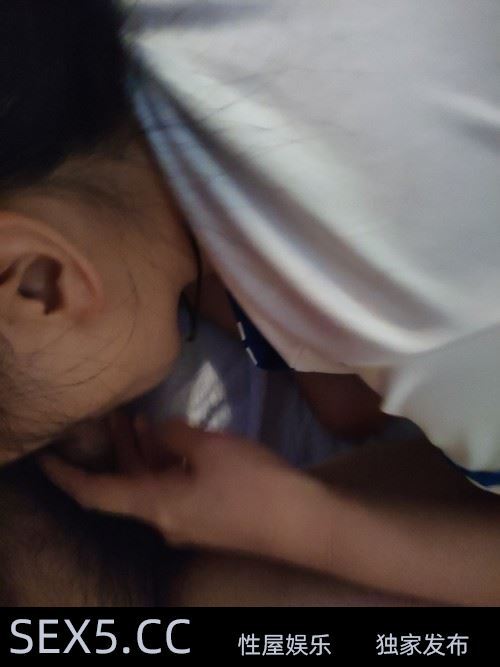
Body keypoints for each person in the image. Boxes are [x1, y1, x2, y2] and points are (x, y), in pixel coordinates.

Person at [1, 1, 500, 603]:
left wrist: (302, 524)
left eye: (24, 439)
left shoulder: (430, 319)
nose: (71, 425)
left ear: (37, 284)